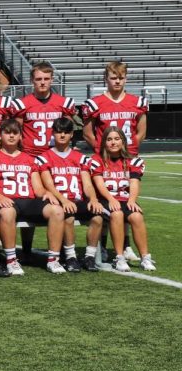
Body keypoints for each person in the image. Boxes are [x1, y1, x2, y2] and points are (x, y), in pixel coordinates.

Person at [0, 119, 67, 275]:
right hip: (7, 199)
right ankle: (11, 260)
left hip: (28, 200)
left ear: (21, 136)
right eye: (7, 132)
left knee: (57, 211)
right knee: (7, 212)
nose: (11, 136)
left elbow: (37, 189)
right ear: (0, 135)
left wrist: (47, 193)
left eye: (15, 133)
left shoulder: (30, 159)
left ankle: (54, 260)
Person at [35, 117, 103, 273]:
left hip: (77, 199)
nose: (62, 135)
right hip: (59, 201)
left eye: (66, 132)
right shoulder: (44, 157)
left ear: (72, 134)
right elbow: (48, 185)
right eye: (59, 132)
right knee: (69, 216)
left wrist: (93, 199)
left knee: (98, 216)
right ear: (53, 133)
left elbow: (86, 184)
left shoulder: (80, 158)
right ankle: (71, 256)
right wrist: (63, 200)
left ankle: (89, 256)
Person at [89, 127, 151, 272]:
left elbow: (134, 182)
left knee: (137, 216)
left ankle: (145, 257)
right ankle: (119, 256)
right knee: (116, 214)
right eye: (109, 139)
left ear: (123, 141)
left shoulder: (132, 160)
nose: (113, 142)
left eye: (117, 139)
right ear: (104, 142)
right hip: (105, 199)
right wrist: (110, 198)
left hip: (124, 199)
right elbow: (99, 183)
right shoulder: (96, 160)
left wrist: (132, 200)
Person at [83, 61, 148, 157]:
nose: (117, 81)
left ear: (126, 79)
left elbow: (142, 133)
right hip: (105, 157)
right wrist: (101, 150)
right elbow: (88, 134)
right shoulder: (94, 104)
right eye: (113, 78)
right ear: (106, 79)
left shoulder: (138, 102)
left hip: (129, 156)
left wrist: (129, 149)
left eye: (121, 78)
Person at [14, 62, 76, 158]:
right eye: (38, 79)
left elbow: (68, 130)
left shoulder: (63, 103)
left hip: (56, 154)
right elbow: (16, 132)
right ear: (32, 80)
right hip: (30, 155)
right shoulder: (22, 104)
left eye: (46, 79)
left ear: (52, 79)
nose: (42, 82)